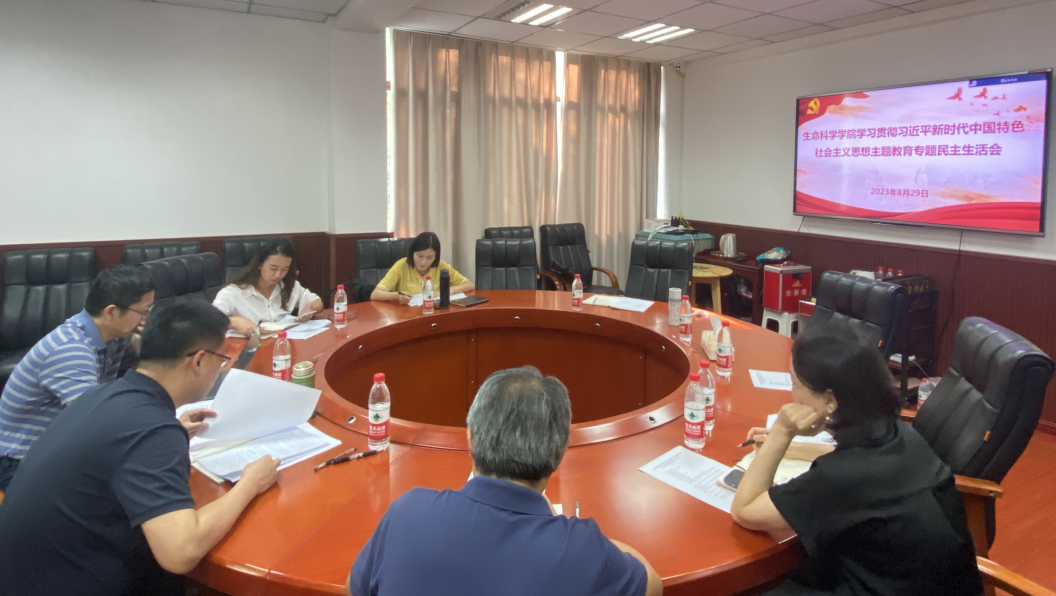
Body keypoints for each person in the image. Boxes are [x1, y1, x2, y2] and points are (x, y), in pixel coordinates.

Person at [0, 300, 280, 596]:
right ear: (198, 361)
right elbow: (180, 552)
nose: (220, 367)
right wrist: (249, 483)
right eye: (222, 359)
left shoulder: (107, 394)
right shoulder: (153, 430)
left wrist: (171, 432)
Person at [346, 366, 661, 596]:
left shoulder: (406, 513)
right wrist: (568, 528)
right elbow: (652, 584)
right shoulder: (583, 550)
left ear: (471, 437)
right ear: (560, 453)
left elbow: (354, 588)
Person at [729, 321, 982, 596]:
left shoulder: (839, 477)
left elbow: (744, 511)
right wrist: (790, 448)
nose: (792, 392)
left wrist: (782, 432)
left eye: (794, 382)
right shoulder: (895, 431)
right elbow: (854, 462)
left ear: (830, 400)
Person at [0, 264, 156, 491]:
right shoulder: (70, 349)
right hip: (19, 463)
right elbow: (95, 422)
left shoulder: (112, 334)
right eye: (143, 311)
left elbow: (150, 363)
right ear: (111, 312)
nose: (146, 319)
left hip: (58, 447)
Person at [213, 238, 324, 337]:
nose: (278, 275)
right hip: (247, 349)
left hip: (281, 344)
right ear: (260, 264)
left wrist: (309, 308)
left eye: (284, 269)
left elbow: (317, 301)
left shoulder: (289, 286)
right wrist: (234, 322)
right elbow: (210, 321)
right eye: (273, 268)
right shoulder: (232, 292)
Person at [370, 232, 474, 304]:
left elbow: (469, 285)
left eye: (429, 257)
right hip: (406, 316)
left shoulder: (441, 266)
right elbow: (375, 295)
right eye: (419, 256)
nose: (423, 262)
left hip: (434, 313)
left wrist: (449, 290)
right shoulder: (401, 265)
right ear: (412, 253)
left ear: (436, 257)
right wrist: (397, 296)